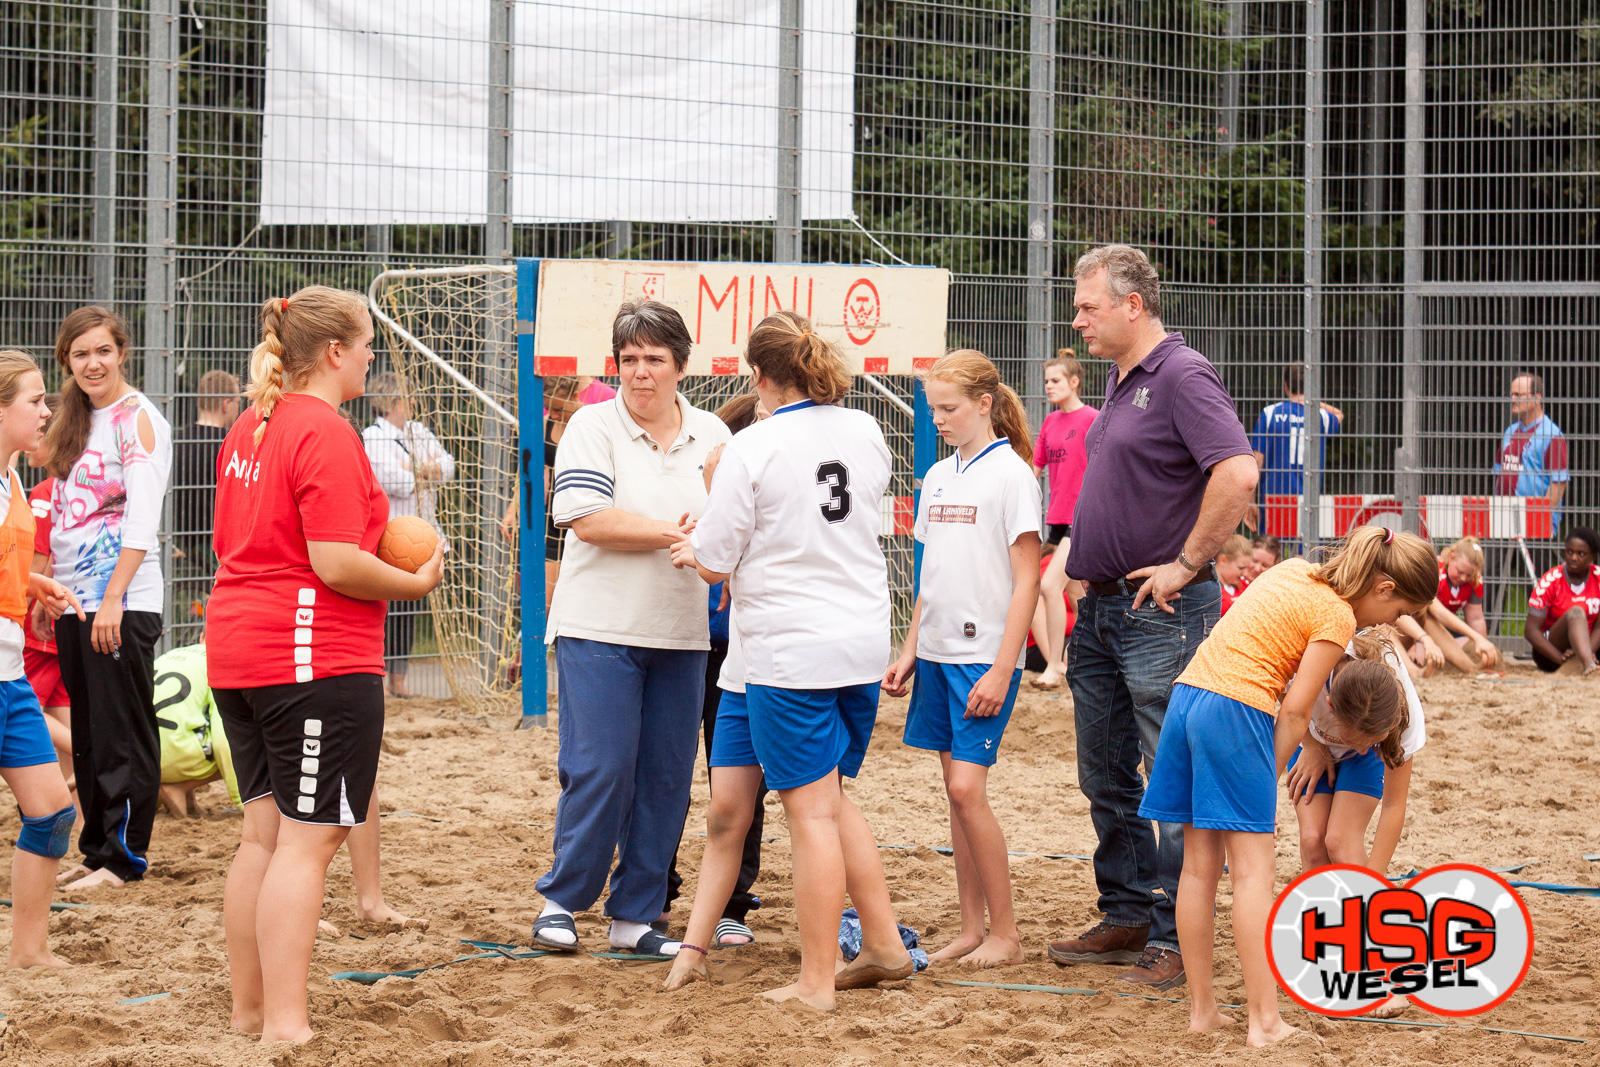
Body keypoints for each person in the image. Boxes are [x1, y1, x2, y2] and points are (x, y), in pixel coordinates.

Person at [208, 286, 444, 1043]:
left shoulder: (252, 423)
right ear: (335, 352)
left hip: (241, 646)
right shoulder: (327, 430)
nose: (373, 356)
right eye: (367, 343)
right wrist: (415, 581)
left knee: (263, 837)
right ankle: (285, 1024)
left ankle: (251, 1012)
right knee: (309, 842)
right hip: (309, 656)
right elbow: (335, 562)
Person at [672, 309, 913, 1011]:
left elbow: (715, 560)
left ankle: (816, 980)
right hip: (859, 636)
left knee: (808, 812)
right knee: (829, 796)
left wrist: (695, 551)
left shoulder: (753, 445)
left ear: (758, 375)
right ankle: (884, 943)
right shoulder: (865, 428)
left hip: (791, 647)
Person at [1046, 245, 1257, 992]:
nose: (1078, 321)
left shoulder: (1181, 373)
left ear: (1133, 304)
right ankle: (1130, 912)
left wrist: (1189, 562)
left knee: (1171, 777)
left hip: (1158, 611)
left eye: (1089, 307)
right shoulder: (1123, 377)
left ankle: (1173, 936)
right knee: (1105, 772)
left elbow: (1237, 472)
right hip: (1104, 608)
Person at [1138, 525, 1438, 1046]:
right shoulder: (1338, 614)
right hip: (1235, 709)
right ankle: (1266, 1022)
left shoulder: (1293, 569)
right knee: (1254, 872)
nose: (1386, 623)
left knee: (1197, 866)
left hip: (1189, 696)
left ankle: (1203, 1012)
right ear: (1383, 588)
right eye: (1393, 613)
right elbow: (1298, 711)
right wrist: (1265, 779)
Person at [532, 301, 730, 959]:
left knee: (669, 776)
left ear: (681, 365)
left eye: (654, 359)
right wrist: (680, 532)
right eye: (629, 360)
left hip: (680, 632)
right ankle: (561, 900)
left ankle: (636, 916)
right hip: (599, 626)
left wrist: (708, 541)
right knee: (602, 767)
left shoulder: (711, 434)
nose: (640, 373)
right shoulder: (592, 423)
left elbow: (732, 524)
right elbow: (588, 518)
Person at [883, 349, 1040, 968]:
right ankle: (972, 928)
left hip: (984, 656)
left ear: (984, 404)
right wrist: (909, 651)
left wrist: (1005, 668)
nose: (938, 418)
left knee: (966, 787)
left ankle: (1005, 933)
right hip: (940, 655)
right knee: (956, 794)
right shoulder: (940, 474)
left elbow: (1027, 580)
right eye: (933, 408)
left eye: (948, 408)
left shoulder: (1012, 476)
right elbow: (933, 577)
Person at [42, 306, 173, 892]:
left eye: (102, 351)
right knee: (91, 733)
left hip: (121, 599)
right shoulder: (71, 419)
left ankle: (124, 858)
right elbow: (63, 516)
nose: (92, 364)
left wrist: (114, 597)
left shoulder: (137, 418)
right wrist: (53, 591)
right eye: (80, 354)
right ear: (66, 362)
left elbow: (142, 518)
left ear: (122, 352)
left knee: (122, 730)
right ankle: (98, 851)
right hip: (75, 601)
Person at [663, 392, 770, 954]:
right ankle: (656, 889)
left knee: (736, 787)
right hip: (687, 646)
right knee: (667, 775)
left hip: (742, 655)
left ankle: (733, 903)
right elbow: (702, 557)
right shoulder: (703, 484)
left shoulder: (766, 480)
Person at [0, 350, 87, 968]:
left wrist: (32, 585)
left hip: (10, 677)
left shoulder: (11, 476)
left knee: (54, 813)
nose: (46, 410)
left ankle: (29, 954)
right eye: (34, 400)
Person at [1286, 626, 1424, 877]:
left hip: (1368, 747)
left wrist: (1373, 879)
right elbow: (1285, 696)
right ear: (1330, 706)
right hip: (1312, 736)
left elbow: (1394, 805)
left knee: (1340, 843)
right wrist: (1312, 745)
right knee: (1312, 841)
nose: (1361, 749)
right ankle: (1321, 914)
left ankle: (1365, 910)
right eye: (1356, 740)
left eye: (1371, 741)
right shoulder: (1314, 662)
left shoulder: (1404, 715)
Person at [362, 371, 455, 698]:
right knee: (387, 610)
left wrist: (421, 470)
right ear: (392, 402)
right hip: (390, 537)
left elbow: (447, 467)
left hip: (422, 534)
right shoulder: (373, 436)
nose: (414, 402)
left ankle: (399, 681)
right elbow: (394, 481)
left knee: (410, 609)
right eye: (407, 397)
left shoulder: (417, 431)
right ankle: (381, 678)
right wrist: (422, 469)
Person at [1029, 350, 1096, 690]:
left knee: (1049, 586)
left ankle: (1055, 665)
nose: (1049, 387)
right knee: (1080, 598)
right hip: (1056, 521)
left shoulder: (1092, 419)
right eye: (1046, 381)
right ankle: (1096, 662)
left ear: (1074, 382)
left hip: (1083, 520)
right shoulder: (1049, 422)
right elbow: (1034, 469)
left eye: (1055, 381)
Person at [1248, 364, 1343, 542]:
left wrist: (1251, 500)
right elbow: (1339, 414)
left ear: (1285, 386)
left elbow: (1256, 462)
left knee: (1270, 554)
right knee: (1306, 557)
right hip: (1308, 501)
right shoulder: (1320, 416)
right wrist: (1311, 401)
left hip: (1274, 499)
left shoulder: (1270, 414)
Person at [1394, 537, 1500, 678]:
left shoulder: (1474, 580)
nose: (1463, 578)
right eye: (1460, 572)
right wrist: (1421, 642)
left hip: (1432, 622)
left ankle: (1472, 670)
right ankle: (1414, 671)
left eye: (1469, 575)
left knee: (1428, 618)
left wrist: (1482, 643)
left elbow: (1475, 619)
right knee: (1388, 625)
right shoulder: (1434, 569)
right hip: (1401, 626)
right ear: (1451, 558)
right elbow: (1436, 610)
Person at [172, 369, 241, 572]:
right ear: (225, 404)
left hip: (182, 538)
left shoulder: (180, 440)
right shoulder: (230, 444)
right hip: (219, 543)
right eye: (237, 402)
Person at [1525, 527, 1600, 677]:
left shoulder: (1598, 578)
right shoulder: (1550, 580)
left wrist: (1587, 652)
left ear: (1592, 556)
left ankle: (1587, 661)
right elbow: (1531, 630)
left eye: (1581, 554)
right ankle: (1589, 666)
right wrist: (1561, 659)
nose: (1573, 557)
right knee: (1576, 612)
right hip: (1552, 652)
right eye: (1569, 552)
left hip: (1591, 648)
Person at [1496, 373, 1568, 527]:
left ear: (1537, 397)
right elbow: (1498, 473)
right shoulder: (1510, 431)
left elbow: (1559, 484)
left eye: (1519, 395)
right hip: (1503, 519)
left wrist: (1541, 519)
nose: (1513, 399)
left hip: (1535, 523)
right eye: (1512, 394)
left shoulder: (1552, 434)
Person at [1215, 534, 1252, 615]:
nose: (1245, 573)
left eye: (1247, 568)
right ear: (1223, 560)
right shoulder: (1211, 589)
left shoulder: (1244, 585)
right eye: (1241, 568)